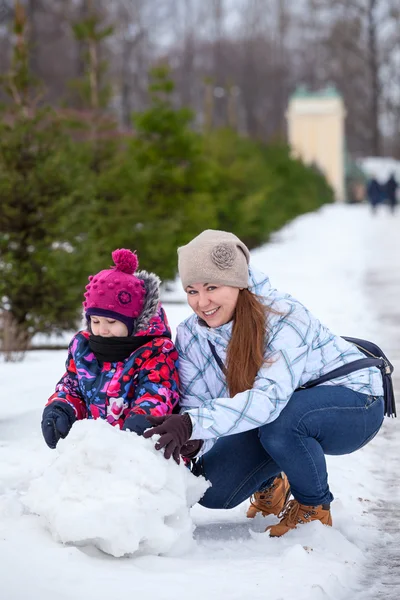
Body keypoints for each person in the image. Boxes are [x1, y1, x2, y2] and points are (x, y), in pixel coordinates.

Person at [143, 230, 385, 537]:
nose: (201, 302)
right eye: (191, 291)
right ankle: (272, 481)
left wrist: (192, 424)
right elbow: (198, 404)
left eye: (212, 287)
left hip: (354, 403)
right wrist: (193, 441)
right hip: (281, 414)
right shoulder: (192, 335)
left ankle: (313, 508)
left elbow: (268, 401)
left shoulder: (283, 316)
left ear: (237, 282)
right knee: (211, 489)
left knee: (283, 423)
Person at [41, 249, 179, 449]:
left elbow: (157, 391)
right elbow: (72, 386)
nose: (102, 329)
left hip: (142, 452)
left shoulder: (155, 351)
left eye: (112, 321)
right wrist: (61, 408)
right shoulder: (83, 348)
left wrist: (142, 420)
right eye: (95, 321)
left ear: (135, 321)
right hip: (96, 449)